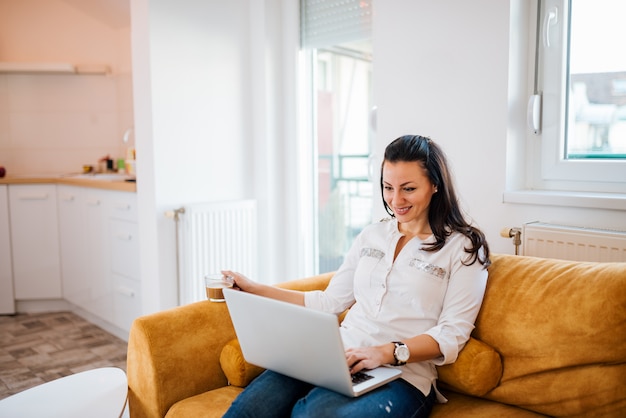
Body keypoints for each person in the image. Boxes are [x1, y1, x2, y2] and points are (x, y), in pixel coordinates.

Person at [222, 135, 491, 418]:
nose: (395, 200)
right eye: (388, 187)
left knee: (315, 415)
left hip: (402, 377)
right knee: (248, 411)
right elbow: (328, 302)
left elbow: (452, 333)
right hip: (334, 357)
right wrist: (254, 289)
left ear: (435, 185)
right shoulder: (372, 236)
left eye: (408, 188)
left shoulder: (463, 247)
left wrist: (387, 352)